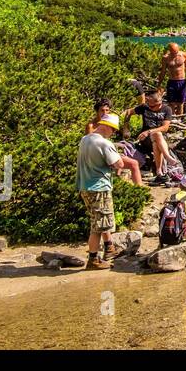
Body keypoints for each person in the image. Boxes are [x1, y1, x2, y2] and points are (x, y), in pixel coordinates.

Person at [77, 113, 129, 270]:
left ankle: (109, 247)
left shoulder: (85, 139)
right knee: (98, 225)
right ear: (106, 127)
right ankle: (93, 259)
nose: (113, 133)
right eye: (113, 129)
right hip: (99, 187)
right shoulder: (104, 143)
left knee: (100, 219)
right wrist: (118, 154)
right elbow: (118, 164)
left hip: (84, 185)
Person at [123, 87, 178, 185]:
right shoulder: (144, 107)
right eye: (152, 107)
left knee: (156, 136)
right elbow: (128, 112)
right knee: (156, 136)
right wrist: (126, 127)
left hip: (160, 139)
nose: (155, 108)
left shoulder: (167, 109)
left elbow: (165, 127)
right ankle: (166, 160)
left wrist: (149, 132)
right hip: (145, 139)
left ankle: (159, 172)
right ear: (148, 103)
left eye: (157, 105)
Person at [87, 99, 142, 186]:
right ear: (97, 111)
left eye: (107, 110)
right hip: (98, 156)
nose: (105, 113)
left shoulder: (110, 121)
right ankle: (118, 181)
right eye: (102, 110)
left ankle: (139, 189)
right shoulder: (91, 125)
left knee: (134, 163)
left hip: (108, 152)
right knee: (125, 163)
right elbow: (91, 142)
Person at [159, 42, 186, 118]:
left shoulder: (184, 55)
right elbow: (163, 71)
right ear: (169, 50)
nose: (174, 54)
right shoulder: (165, 58)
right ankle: (172, 118)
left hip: (182, 81)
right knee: (171, 102)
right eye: (172, 52)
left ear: (178, 49)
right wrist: (159, 84)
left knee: (180, 102)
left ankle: (179, 118)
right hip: (172, 81)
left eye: (176, 52)